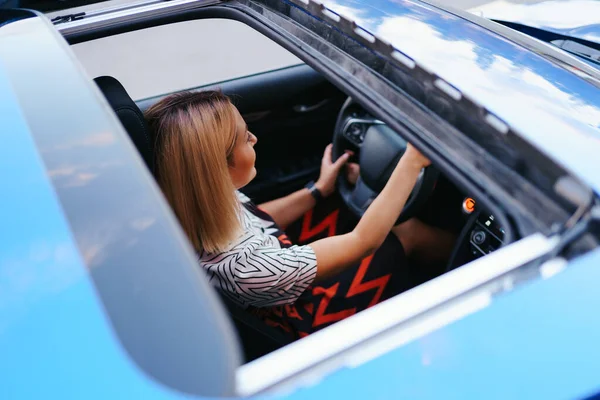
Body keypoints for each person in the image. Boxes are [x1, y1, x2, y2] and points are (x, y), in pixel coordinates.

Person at [145, 90, 454, 338]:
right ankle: (469, 259)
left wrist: (318, 190)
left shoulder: (192, 201)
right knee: (403, 234)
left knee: (337, 206)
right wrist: (412, 161)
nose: (254, 138)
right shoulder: (247, 268)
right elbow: (364, 241)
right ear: (217, 169)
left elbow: (257, 215)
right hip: (306, 315)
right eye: (243, 138)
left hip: (277, 257)